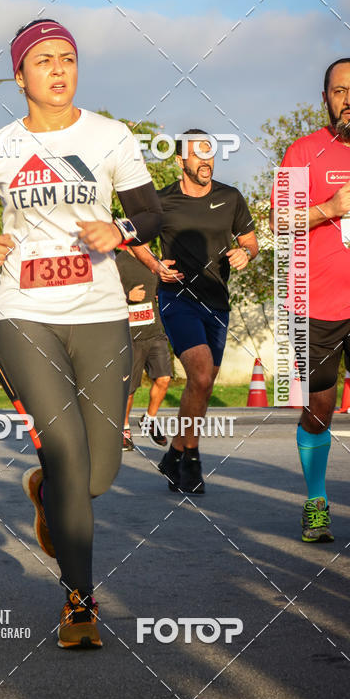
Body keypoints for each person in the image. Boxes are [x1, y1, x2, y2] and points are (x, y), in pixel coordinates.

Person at [0, 18, 161, 648]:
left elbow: (149, 210)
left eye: (68, 57)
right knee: (65, 454)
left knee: (97, 476)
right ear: (20, 75)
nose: (59, 69)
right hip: (23, 312)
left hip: (99, 311)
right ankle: (80, 603)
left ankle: (45, 492)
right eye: (43, 60)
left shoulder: (110, 135)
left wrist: (122, 232)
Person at [269, 58, 350, 545]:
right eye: (340, 91)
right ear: (326, 99)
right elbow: (278, 222)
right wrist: (328, 209)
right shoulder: (304, 151)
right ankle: (316, 500)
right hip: (312, 305)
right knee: (320, 408)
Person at [132, 129, 258, 493]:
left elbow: (249, 240)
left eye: (210, 153)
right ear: (180, 161)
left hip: (217, 302)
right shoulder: (160, 203)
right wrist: (156, 266)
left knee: (202, 387)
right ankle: (191, 460)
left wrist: (245, 253)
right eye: (198, 155)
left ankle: (174, 453)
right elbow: (134, 240)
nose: (206, 161)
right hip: (177, 300)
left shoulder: (230, 197)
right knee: (200, 375)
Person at [115, 245, 172, 450]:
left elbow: (161, 290)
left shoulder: (153, 259)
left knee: (164, 379)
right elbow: (103, 295)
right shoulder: (118, 262)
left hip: (154, 331)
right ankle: (124, 428)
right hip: (130, 335)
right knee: (129, 389)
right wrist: (127, 296)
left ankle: (149, 419)